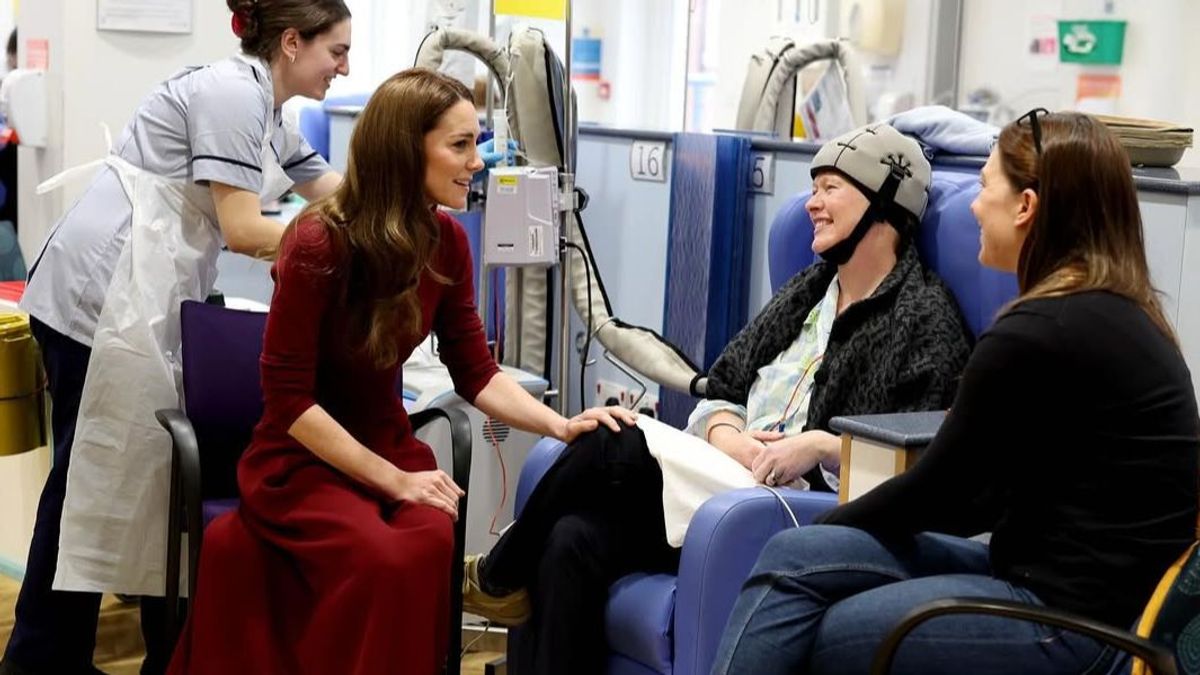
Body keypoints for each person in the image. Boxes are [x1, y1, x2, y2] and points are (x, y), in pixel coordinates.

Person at [165, 67, 631, 675]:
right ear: (405, 150)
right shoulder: (316, 243)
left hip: (387, 444)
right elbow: (289, 403)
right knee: (382, 555)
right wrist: (394, 480)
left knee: (428, 537)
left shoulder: (447, 242)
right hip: (301, 459)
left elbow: (476, 372)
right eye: (459, 146)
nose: (477, 162)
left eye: (475, 143)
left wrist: (561, 426)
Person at [462, 123, 974, 675]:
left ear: (884, 203)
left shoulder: (924, 320)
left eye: (831, 188)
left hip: (792, 510)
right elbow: (722, 387)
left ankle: (496, 574)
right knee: (569, 540)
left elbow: (912, 466)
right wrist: (730, 438)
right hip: (724, 479)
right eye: (813, 188)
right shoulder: (808, 290)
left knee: (615, 440)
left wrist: (818, 445)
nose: (812, 204)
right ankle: (508, 576)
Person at [710, 111, 1200, 675]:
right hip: (1055, 584)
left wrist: (826, 529)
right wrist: (819, 539)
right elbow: (980, 498)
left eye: (987, 186)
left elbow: (941, 494)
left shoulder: (1040, 331)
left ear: (1026, 207)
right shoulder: (1118, 313)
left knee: (830, 623)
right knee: (796, 557)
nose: (972, 205)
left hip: (1074, 625)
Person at [1, 3, 352, 674]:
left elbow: (329, 190)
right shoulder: (231, 94)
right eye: (335, 50)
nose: (345, 66)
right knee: (83, 483)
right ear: (290, 42)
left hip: (135, 294)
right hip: (98, 293)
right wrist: (345, 241)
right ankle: (39, 660)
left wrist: (395, 197)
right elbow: (247, 229)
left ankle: (66, 654)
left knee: (112, 479)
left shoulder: (268, 109)